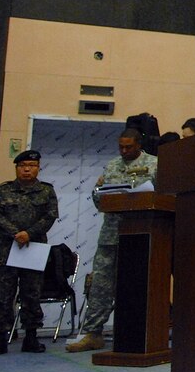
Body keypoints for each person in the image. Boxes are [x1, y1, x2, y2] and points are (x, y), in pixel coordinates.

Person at [66, 128, 158, 352]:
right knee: (100, 286)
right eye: (121, 147)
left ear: (139, 145)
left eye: (129, 147)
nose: (124, 151)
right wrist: (99, 193)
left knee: (139, 286)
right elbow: (99, 200)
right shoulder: (112, 165)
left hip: (142, 233)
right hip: (111, 234)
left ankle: (139, 334)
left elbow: (163, 195)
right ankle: (93, 333)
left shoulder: (156, 164)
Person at [0, 150, 59, 356]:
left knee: (32, 295)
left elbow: (50, 216)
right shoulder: (3, 190)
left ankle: (31, 338)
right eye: (23, 165)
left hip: (32, 250)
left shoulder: (46, 191)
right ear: (17, 168)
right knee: (3, 296)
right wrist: (15, 232)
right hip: (7, 251)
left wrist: (29, 233)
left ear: (38, 168)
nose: (27, 169)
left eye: (32, 165)